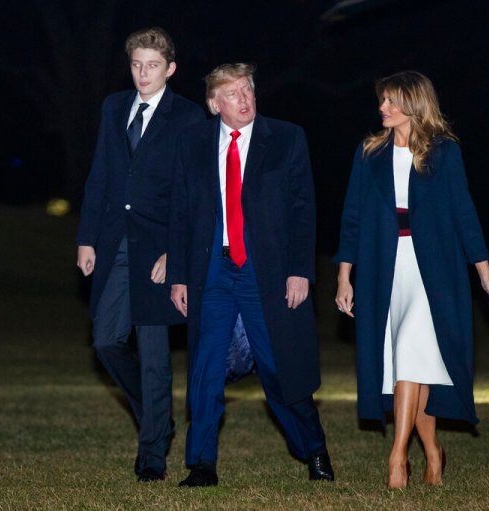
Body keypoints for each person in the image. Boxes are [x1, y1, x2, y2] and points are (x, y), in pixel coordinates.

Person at [334, 71, 489, 489]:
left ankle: (397, 458)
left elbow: (465, 214)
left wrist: (486, 276)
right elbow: (352, 219)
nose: (382, 108)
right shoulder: (369, 153)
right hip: (384, 267)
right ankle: (432, 451)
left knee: (410, 355)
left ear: (414, 103)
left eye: (391, 101)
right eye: (382, 101)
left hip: (434, 269)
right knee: (408, 364)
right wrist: (344, 278)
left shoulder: (444, 152)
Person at [168, 63, 334, 487]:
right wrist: (181, 276)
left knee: (279, 369)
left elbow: (303, 212)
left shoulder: (286, 138)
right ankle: (201, 464)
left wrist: (300, 271)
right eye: (233, 93)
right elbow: (182, 213)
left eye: (248, 91)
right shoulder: (193, 142)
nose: (244, 100)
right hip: (214, 271)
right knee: (205, 368)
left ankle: (314, 450)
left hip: (269, 271)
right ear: (213, 104)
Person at [75, 27, 204, 482]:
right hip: (114, 243)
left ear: (169, 68)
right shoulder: (114, 107)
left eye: (152, 66)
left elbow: (192, 195)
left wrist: (175, 251)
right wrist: (87, 237)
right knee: (106, 341)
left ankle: (152, 454)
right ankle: (158, 416)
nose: (143, 74)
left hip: (158, 251)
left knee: (153, 356)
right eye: (136, 64)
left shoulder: (188, 117)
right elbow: (101, 174)